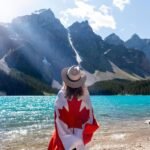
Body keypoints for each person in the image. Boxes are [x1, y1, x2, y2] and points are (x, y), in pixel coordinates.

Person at [48, 65, 99, 150]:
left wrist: (67, 139)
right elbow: (90, 116)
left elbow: (58, 118)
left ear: (66, 81)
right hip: (81, 136)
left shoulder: (61, 95)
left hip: (65, 136)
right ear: (80, 82)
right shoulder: (85, 94)